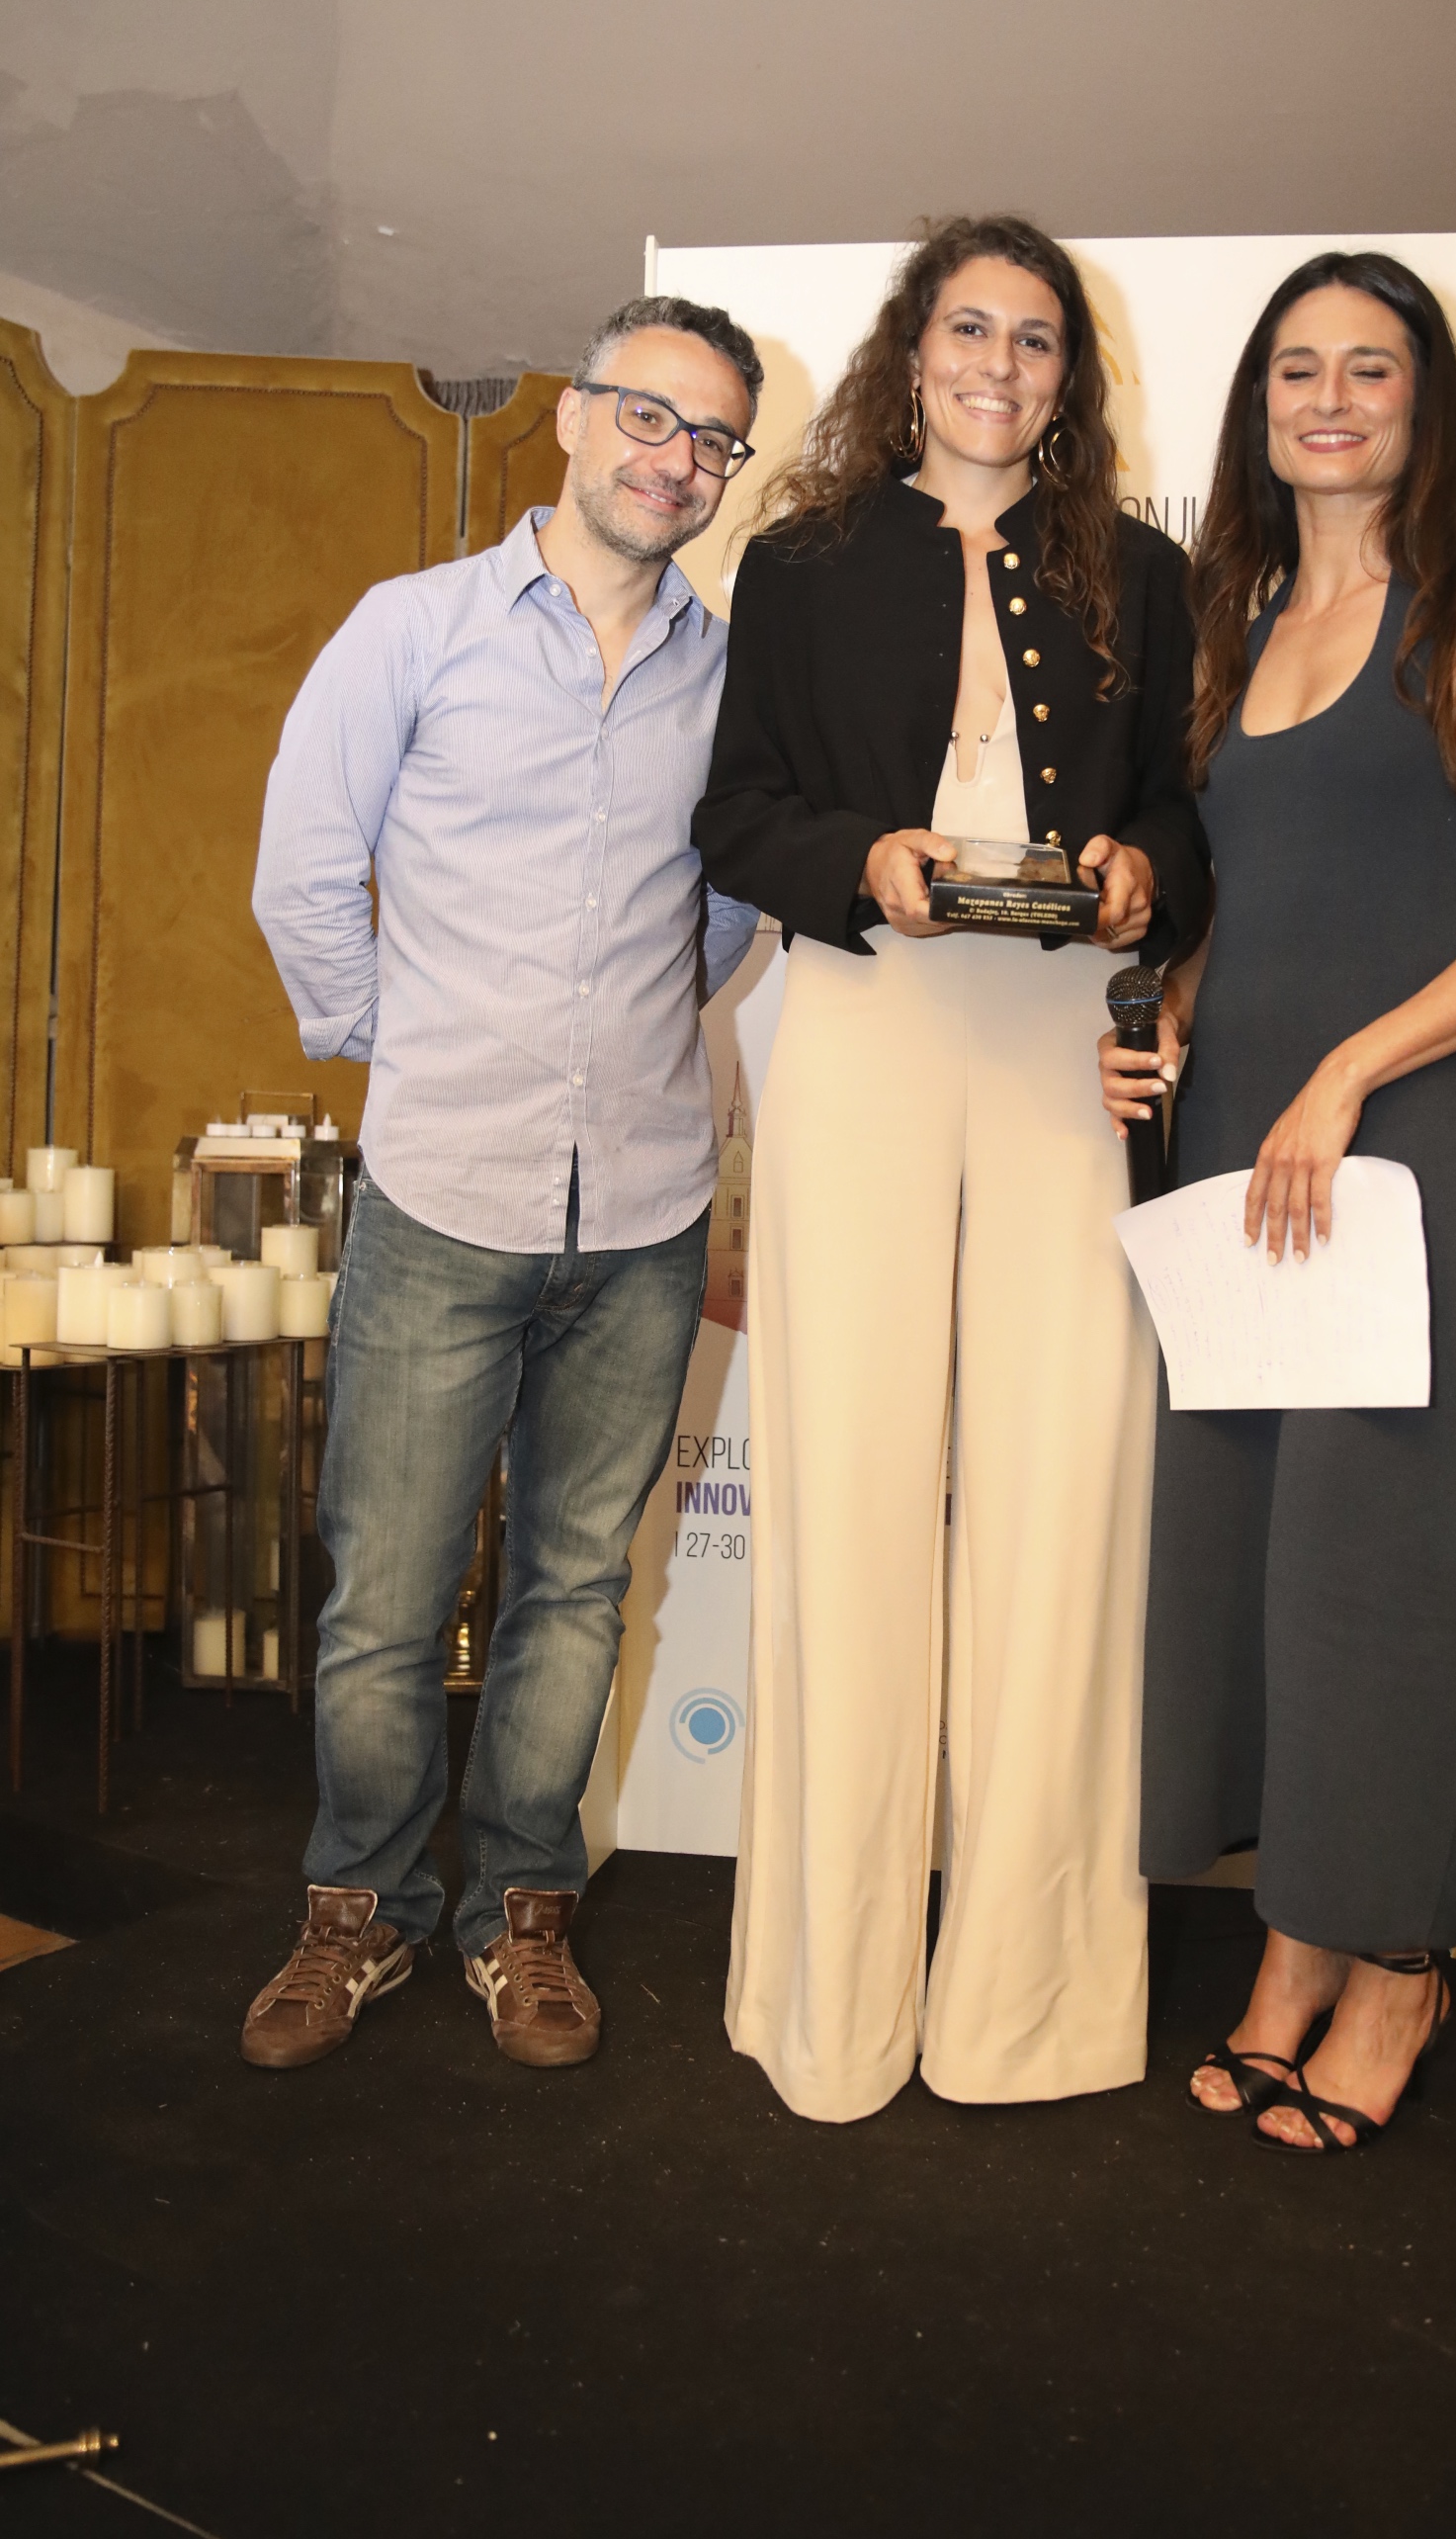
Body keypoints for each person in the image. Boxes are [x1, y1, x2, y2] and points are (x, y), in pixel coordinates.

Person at [693, 215, 1210, 2123]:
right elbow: (735, 812)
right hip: (867, 1019)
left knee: (1062, 1495)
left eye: (1035, 337)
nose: (999, 362)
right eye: (969, 327)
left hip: (1065, 1042)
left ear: (1069, 377)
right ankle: (830, 2003)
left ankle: (1029, 2006)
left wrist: (1146, 872)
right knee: (844, 1486)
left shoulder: (1141, 572)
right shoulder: (802, 560)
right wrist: (863, 859)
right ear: (912, 350)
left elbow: (1182, 812)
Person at [1100, 251, 1456, 2152]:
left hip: (1396, 1147)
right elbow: (1239, 899)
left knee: (1382, 1563)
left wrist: (1348, 1069)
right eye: (1296, 369)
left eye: (1369, 368)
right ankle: (1290, 1947)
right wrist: (1167, 1024)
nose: (1329, 398)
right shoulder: (1233, 625)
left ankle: (1397, 1959)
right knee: (1254, 1560)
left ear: (1423, 401)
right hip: (1240, 1146)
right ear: (1260, 408)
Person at [243, 294, 764, 2071]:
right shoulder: (412, 628)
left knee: (574, 1590)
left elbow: (727, 912)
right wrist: (411, 1045)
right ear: (572, 416)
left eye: (712, 438)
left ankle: (521, 1908)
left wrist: (622, 1037)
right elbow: (304, 868)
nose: (675, 459)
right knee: (385, 1598)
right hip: (439, 1196)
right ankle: (361, 1908)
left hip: (644, 1214)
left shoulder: (725, 674)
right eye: (649, 415)